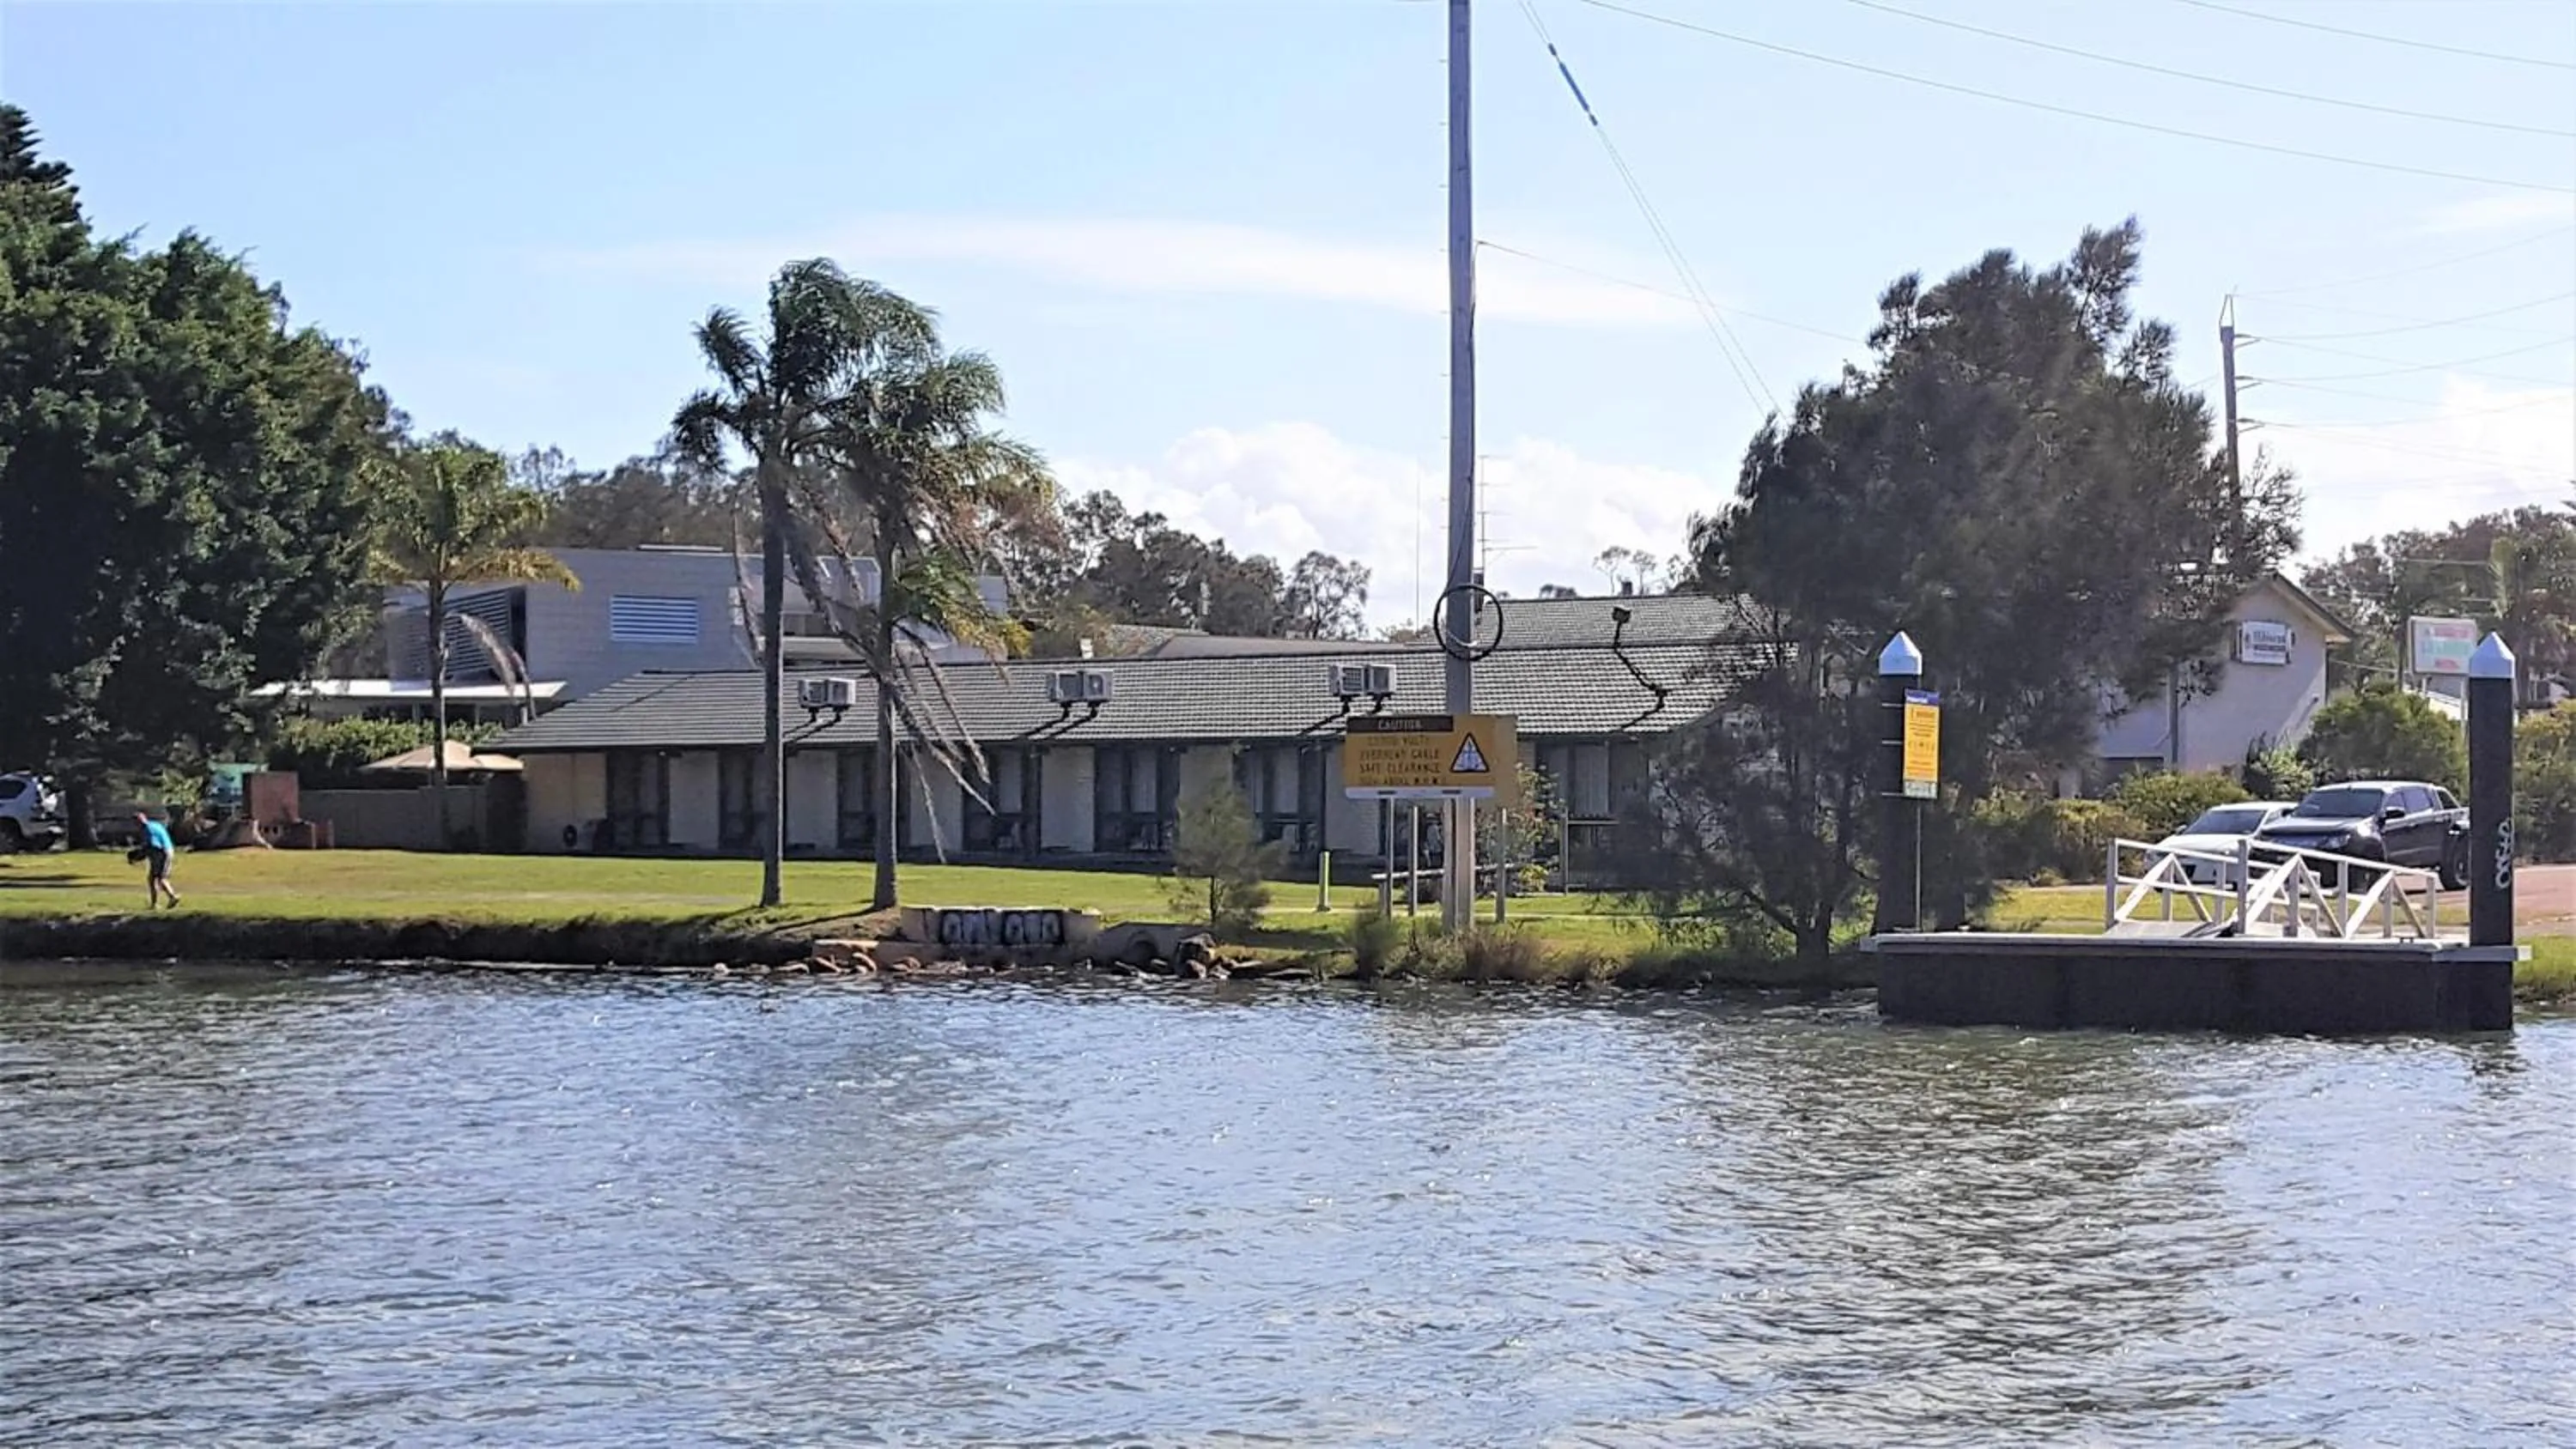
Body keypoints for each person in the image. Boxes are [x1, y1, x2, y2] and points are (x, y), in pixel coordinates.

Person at [136, 812, 182, 910]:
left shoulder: (147, 830)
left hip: (162, 853)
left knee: (161, 878)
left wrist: (140, 855)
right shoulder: (155, 824)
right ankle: (154, 905)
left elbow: (154, 846)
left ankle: (173, 897)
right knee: (152, 879)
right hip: (165, 850)